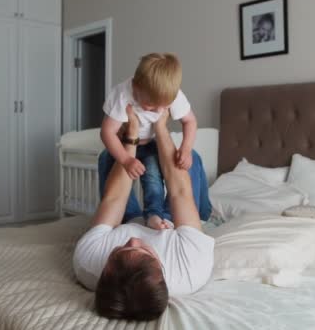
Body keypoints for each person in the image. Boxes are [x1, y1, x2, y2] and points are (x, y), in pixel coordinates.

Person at [73, 106, 214, 320]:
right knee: (187, 157)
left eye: (120, 250)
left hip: (127, 221)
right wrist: (160, 126)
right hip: (175, 226)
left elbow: (114, 198)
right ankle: (202, 206)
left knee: (107, 158)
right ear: (162, 270)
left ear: (105, 272)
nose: (133, 239)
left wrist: (132, 136)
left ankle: (141, 150)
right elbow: (180, 192)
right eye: (145, 251)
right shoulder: (191, 267)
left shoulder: (87, 262)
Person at [98, 52, 211, 230]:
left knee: (156, 171)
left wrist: (186, 148)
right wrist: (126, 159)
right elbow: (107, 132)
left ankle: (158, 215)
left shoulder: (171, 93)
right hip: (127, 143)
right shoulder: (121, 94)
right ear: (136, 86)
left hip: (154, 144)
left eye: (164, 106)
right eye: (151, 106)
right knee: (106, 159)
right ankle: (125, 216)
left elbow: (190, 121)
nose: (158, 111)